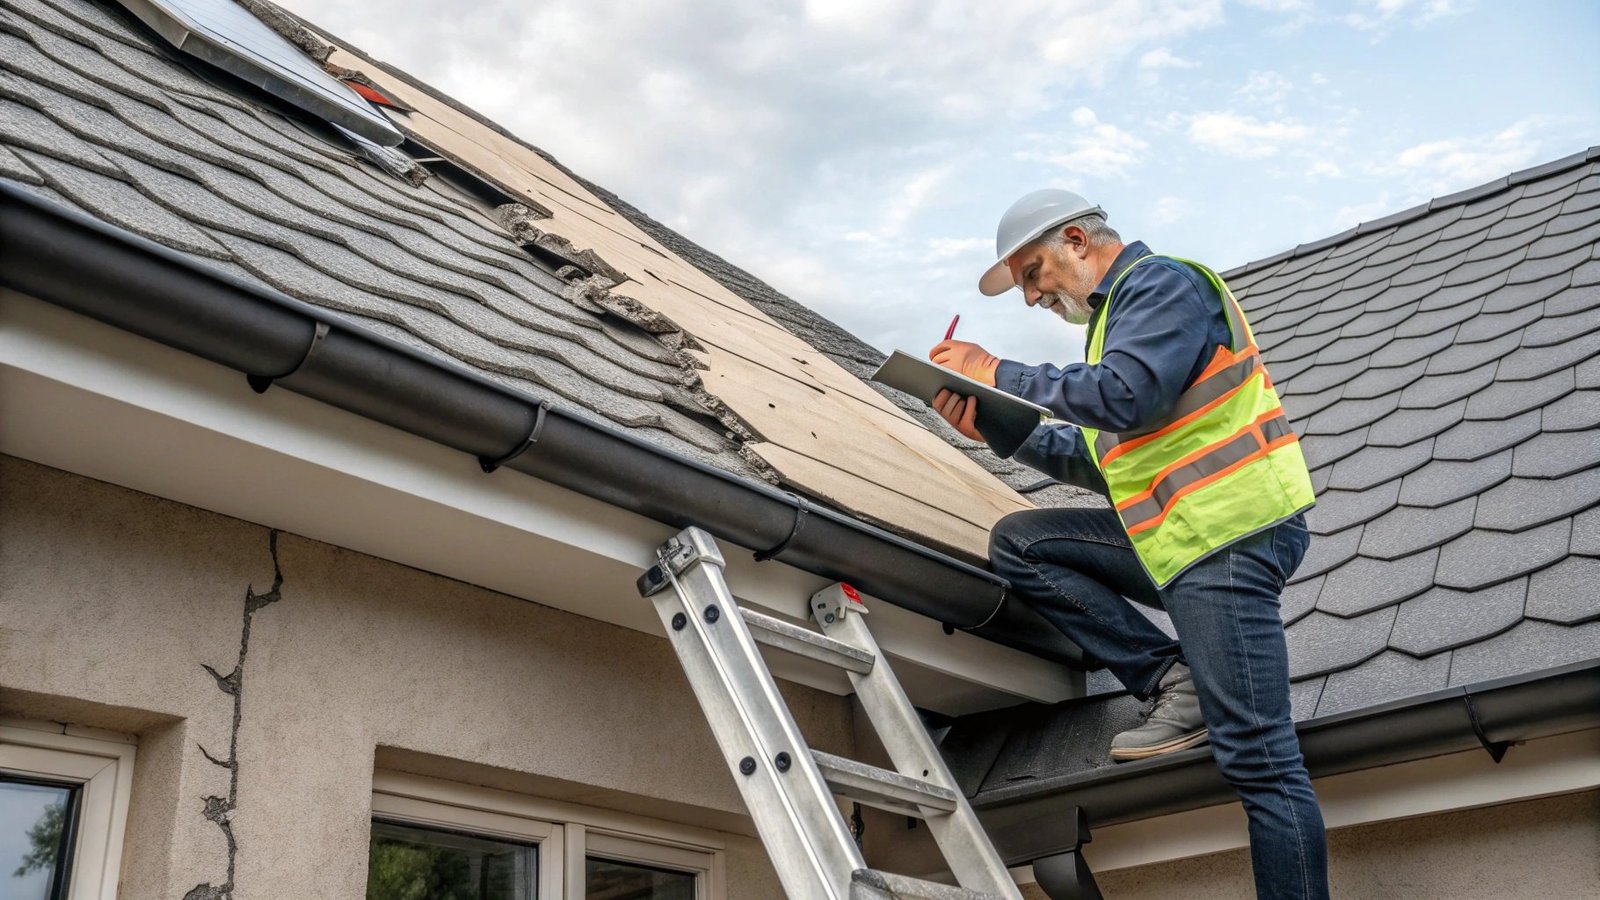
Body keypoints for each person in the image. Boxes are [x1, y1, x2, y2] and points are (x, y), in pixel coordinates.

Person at [927, 189, 1329, 899]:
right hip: (1182, 538)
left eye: (1032, 274)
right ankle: (1175, 679)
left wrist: (994, 370)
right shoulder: (1115, 329)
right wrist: (990, 422)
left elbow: (1123, 396)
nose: (1031, 297)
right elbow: (1097, 460)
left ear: (1077, 241)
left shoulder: (1161, 284)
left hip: (1227, 533)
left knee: (1261, 761)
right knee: (1026, 542)